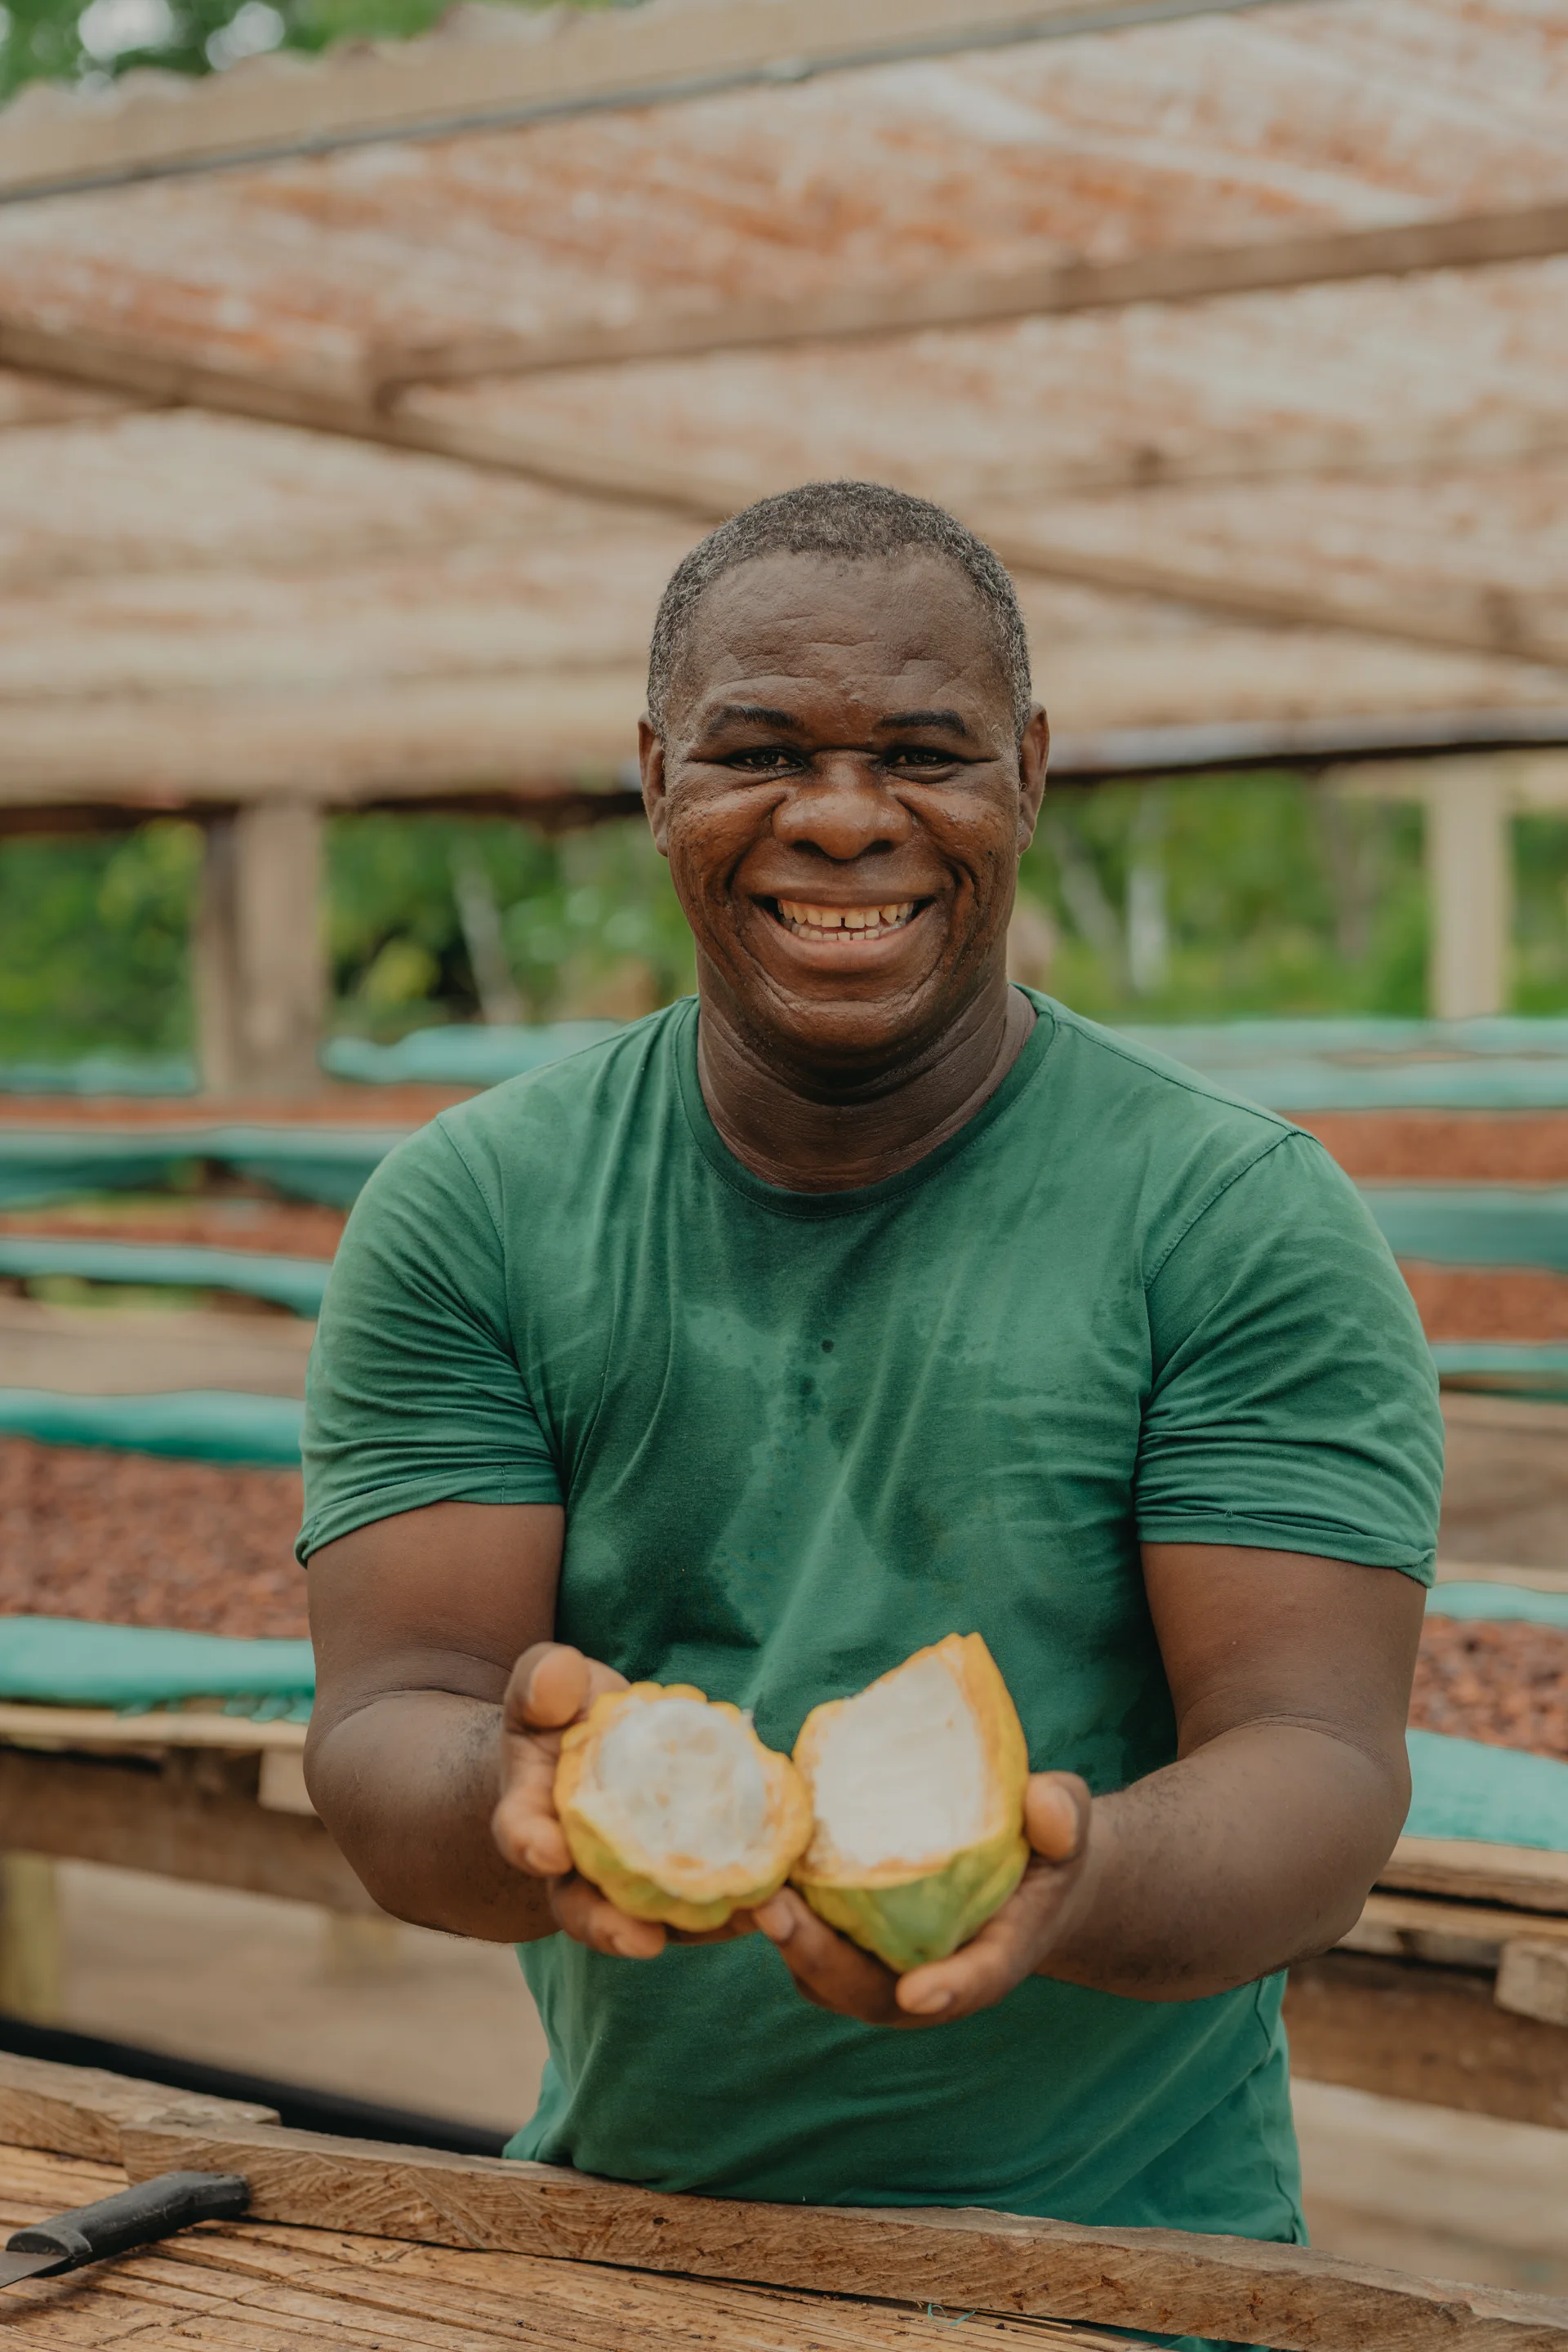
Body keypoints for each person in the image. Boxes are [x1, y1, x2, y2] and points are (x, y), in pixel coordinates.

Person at [301, 482, 1441, 2270]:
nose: (843, 820)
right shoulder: (479, 1210)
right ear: (657, 776)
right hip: (626, 2247)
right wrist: (507, 1799)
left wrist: (1079, 1878)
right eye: (760, 752)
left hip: (1130, 2272)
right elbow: (392, 1718)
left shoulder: (1234, 1219)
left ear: (1030, 773)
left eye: (924, 751)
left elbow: (1315, 1762)